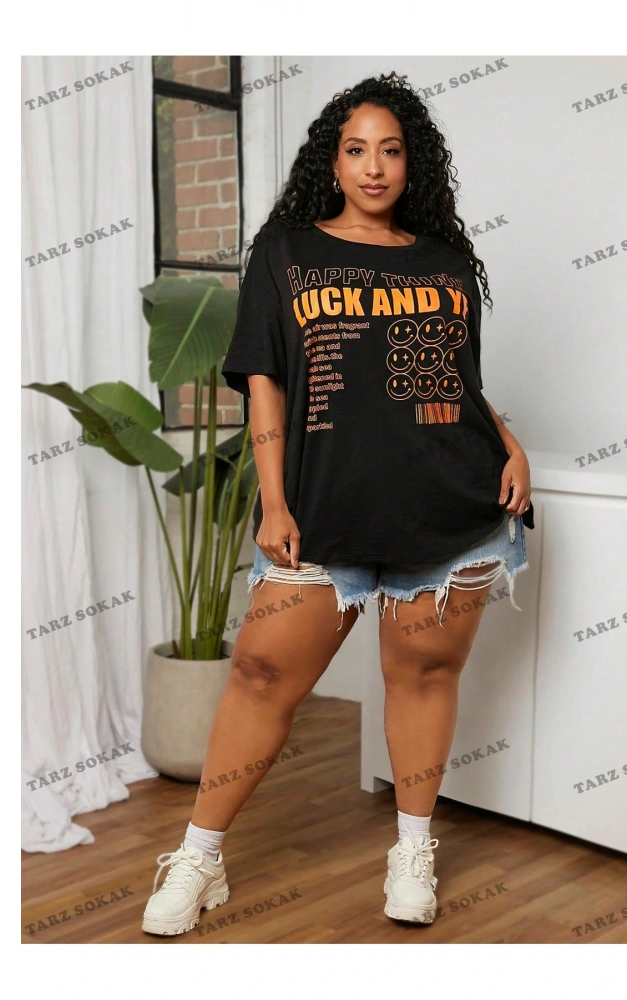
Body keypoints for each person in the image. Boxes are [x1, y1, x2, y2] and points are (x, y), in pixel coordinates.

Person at [142, 70, 533, 937]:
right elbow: (265, 382)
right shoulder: (285, 253)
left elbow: (453, 381)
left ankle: (413, 852)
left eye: (391, 150)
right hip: (323, 508)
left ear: (412, 163)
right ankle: (199, 858)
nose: (374, 167)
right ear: (333, 160)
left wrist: (508, 442)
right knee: (260, 675)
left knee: (424, 676)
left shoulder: (444, 262)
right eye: (357, 150)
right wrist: (274, 502)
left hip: (450, 504)